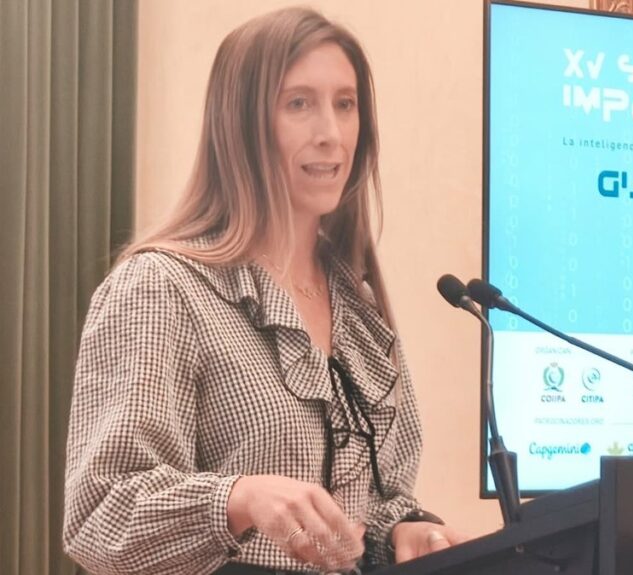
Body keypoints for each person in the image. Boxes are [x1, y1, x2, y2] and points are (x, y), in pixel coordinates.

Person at [63, 7, 465, 574]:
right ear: (240, 124)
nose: (330, 134)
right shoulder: (161, 288)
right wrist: (238, 499)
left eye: (345, 104)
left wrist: (403, 529)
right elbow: (100, 517)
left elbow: (371, 506)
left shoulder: (360, 307)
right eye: (298, 103)